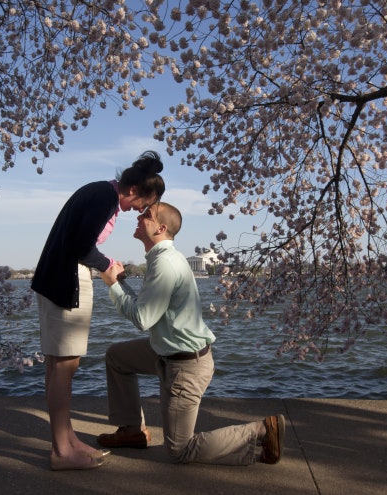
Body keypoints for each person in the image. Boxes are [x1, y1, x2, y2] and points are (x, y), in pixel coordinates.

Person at [97, 202, 285, 465]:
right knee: (117, 357)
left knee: (180, 450)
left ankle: (262, 431)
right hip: (166, 350)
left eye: (146, 215)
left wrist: (113, 285)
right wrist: (120, 282)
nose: (139, 216)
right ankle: (131, 431)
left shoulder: (164, 264)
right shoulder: (162, 259)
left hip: (185, 365)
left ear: (161, 228)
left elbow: (143, 318)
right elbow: (147, 307)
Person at [31, 151, 165, 471]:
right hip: (65, 282)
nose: (141, 211)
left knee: (57, 363)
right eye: (143, 204)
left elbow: (77, 240)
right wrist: (107, 266)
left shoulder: (98, 191)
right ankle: (62, 450)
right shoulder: (105, 197)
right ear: (132, 191)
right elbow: (80, 245)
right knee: (66, 364)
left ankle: (65, 439)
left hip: (54, 278)